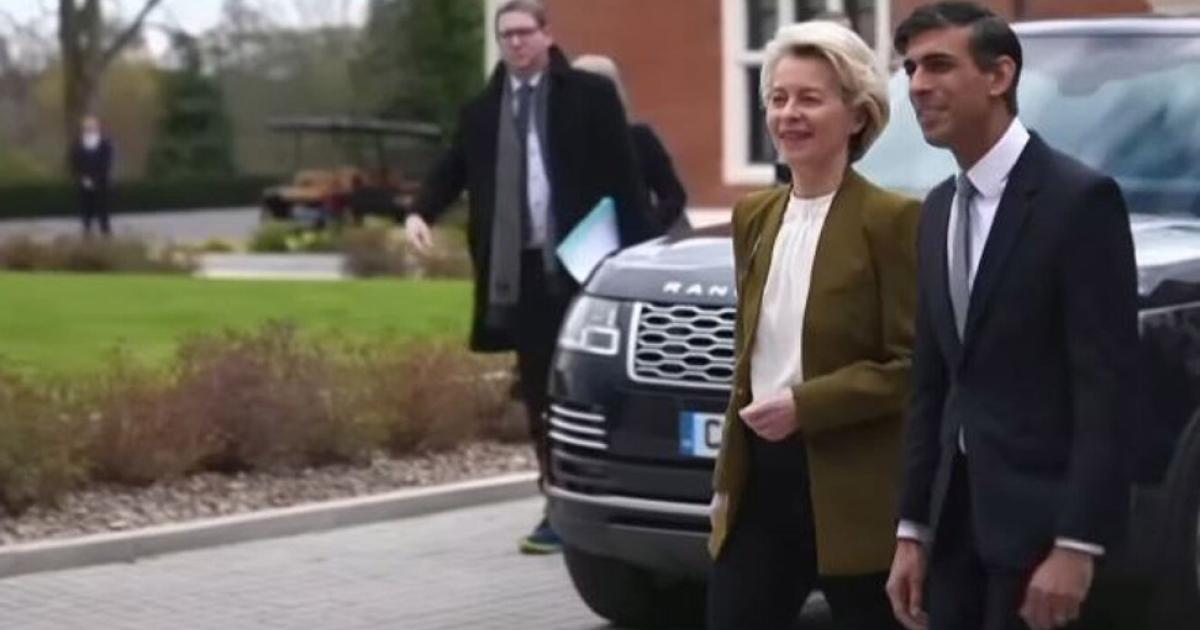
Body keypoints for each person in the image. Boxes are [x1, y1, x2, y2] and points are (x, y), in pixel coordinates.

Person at [884, 4, 1138, 630]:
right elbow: (932, 384)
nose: (917, 85)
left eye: (938, 65)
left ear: (999, 76)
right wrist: (912, 529)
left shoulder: (1080, 202)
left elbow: (1106, 389)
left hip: (1040, 541)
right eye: (911, 68)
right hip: (953, 533)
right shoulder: (938, 211)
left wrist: (1077, 544)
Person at [405, 0, 651, 555]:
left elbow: (626, 179)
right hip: (522, 276)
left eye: (524, 32)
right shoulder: (483, 110)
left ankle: (618, 494)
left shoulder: (589, 96)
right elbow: (453, 167)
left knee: (599, 385)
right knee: (542, 394)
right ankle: (556, 505)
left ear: (546, 34)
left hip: (586, 266)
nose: (515, 43)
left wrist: (637, 259)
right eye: (506, 35)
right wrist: (420, 211)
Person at [707, 20, 918, 630]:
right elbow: (751, 358)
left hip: (853, 486)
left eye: (809, 98)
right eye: (778, 98)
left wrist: (806, 404)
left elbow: (911, 365)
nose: (788, 114)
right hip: (761, 481)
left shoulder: (893, 220)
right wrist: (726, 483)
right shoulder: (754, 216)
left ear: (857, 115)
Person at [572, 54, 689, 235]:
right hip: (581, 245)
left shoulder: (639, 138)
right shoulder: (560, 142)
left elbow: (673, 196)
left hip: (634, 244)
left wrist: (649, 227)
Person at [71, 115, 114, 237]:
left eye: (92, 127)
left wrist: (96, 178)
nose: (89, 129)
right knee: (85, 207)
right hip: (84, 181)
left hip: (101, 181)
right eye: (87, 127)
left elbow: (106, 163)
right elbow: (74, 163)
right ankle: (87, 230)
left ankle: (105, 231)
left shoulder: (105, 144)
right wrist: (83, 178)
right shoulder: (77, 145)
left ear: (97, 128)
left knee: (103, 207)